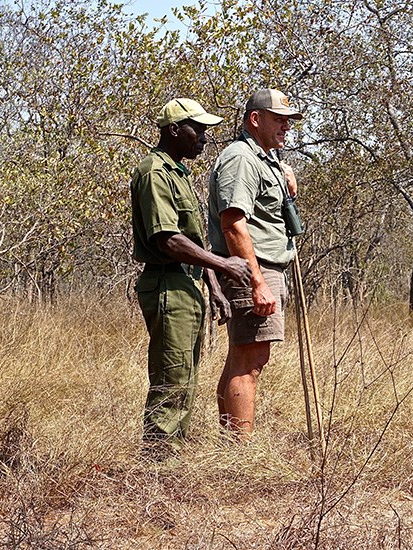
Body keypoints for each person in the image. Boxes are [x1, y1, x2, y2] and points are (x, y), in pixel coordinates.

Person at [130, 98, 252, 454]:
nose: (203, 137)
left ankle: (171, 453)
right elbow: (168, 239)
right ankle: (157, 462)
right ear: (173, 130)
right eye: (196, 129)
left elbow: (192, 241)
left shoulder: (178, 173)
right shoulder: (155, 172)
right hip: (167, 283)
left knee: (185, 377)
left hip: (186, 284)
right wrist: (224, 266)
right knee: (172, 378)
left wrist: (213, 285)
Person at [208, 88, 303, 440]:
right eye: (278, 119)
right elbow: (233, 222)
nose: (286, 127)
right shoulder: (241, 158)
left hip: (265, 266)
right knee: (250, 361)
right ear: (255, 119)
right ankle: (240, 450)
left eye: (287, 121)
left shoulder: (265, 159)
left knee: (244, 356)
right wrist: (256, 281)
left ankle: (231, 444)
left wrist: (285, 181)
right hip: (252, 268)